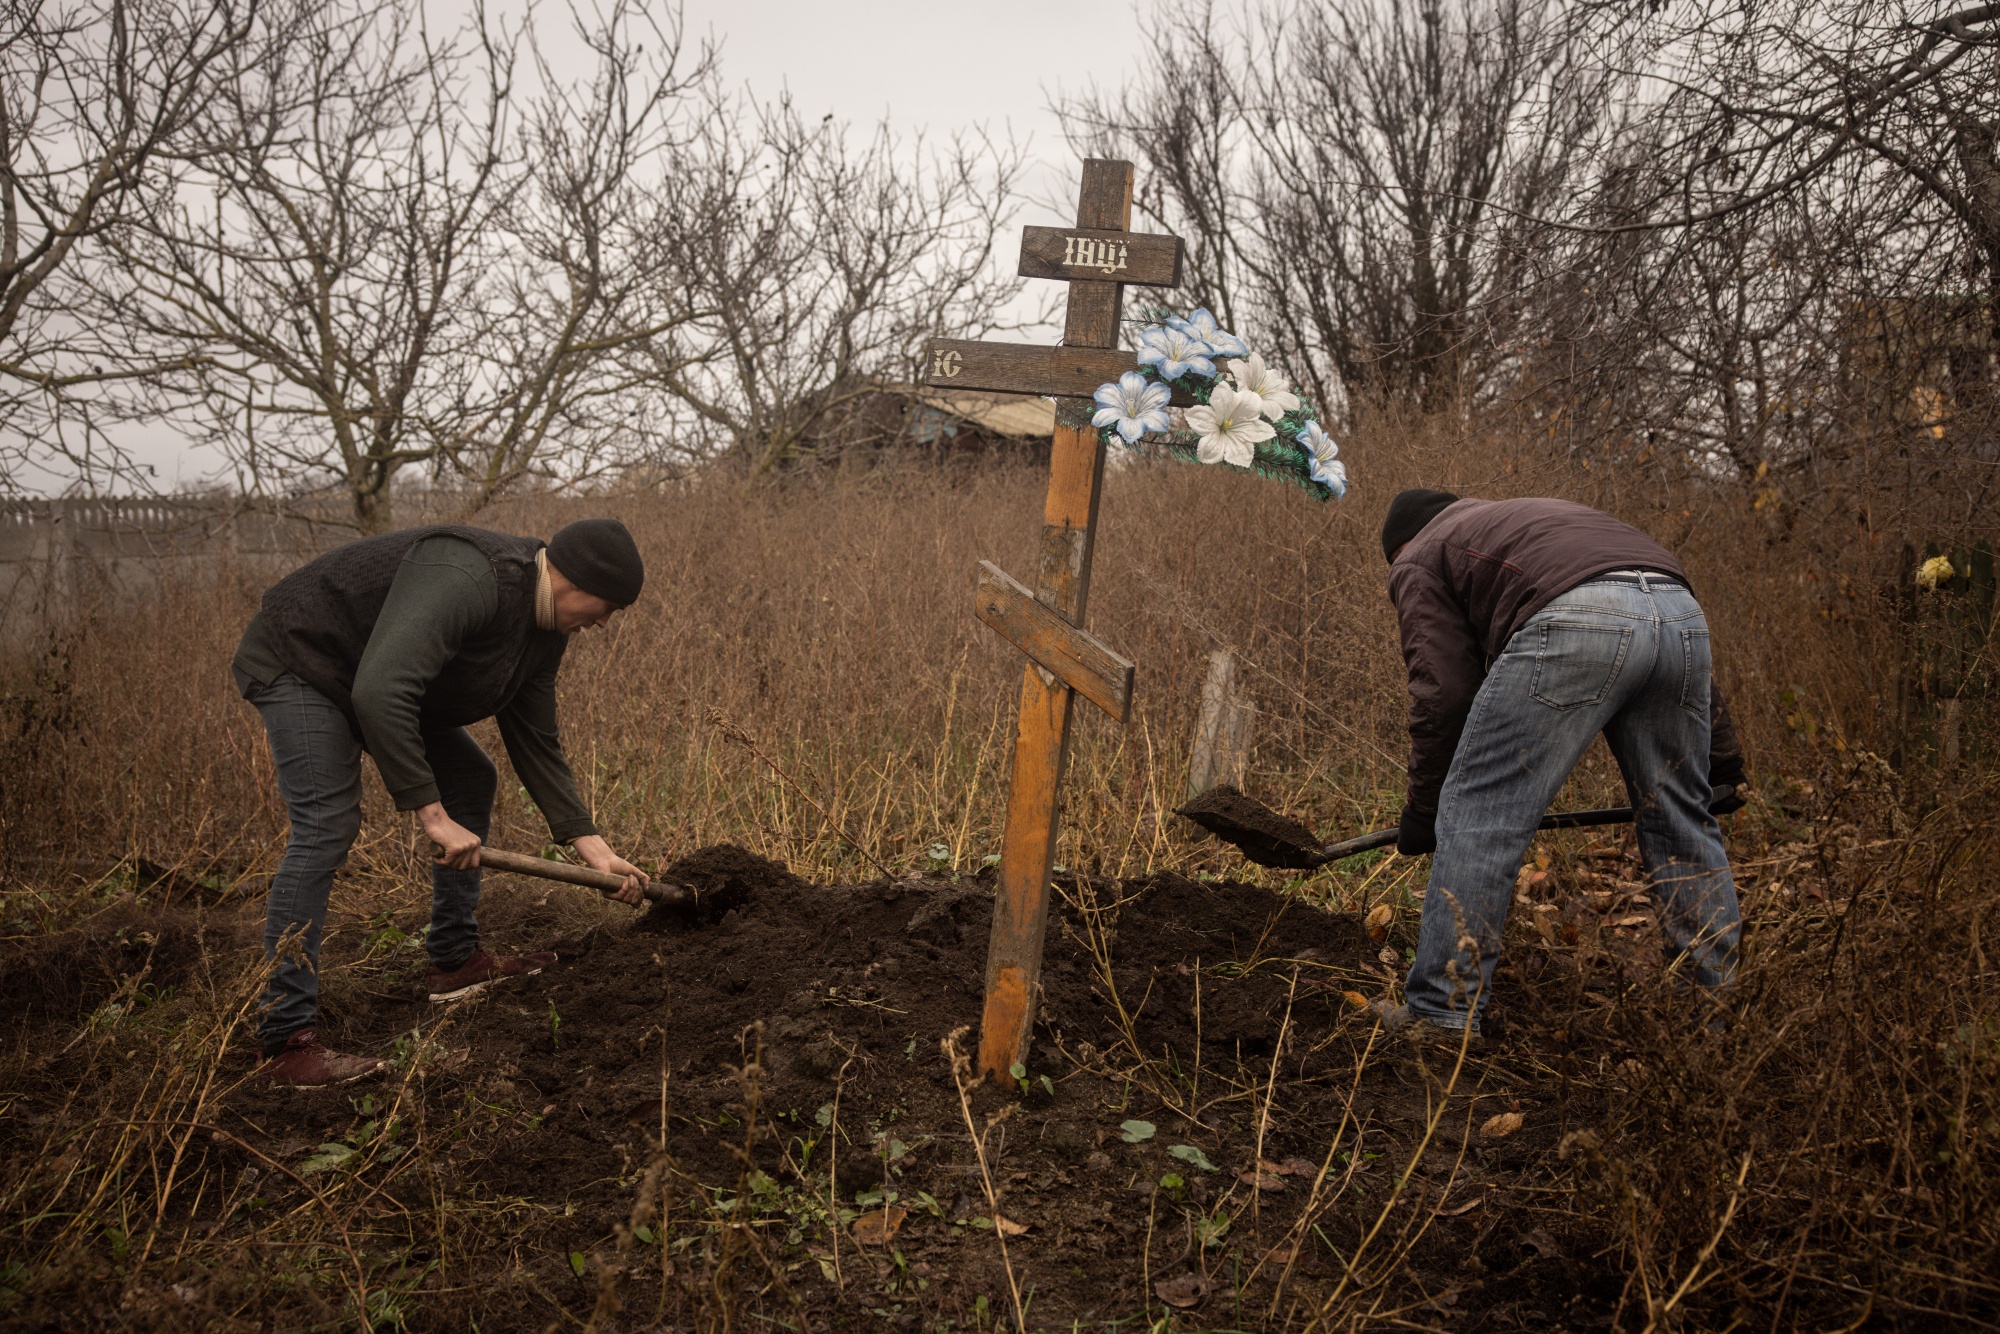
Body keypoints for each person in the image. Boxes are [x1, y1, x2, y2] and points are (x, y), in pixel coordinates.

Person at [232, 518, 653, 1086]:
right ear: (566, 577)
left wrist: (594, 849)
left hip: (371, 674)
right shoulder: (468, 576)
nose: (602, 622)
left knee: (471, 778)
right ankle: (284, 1042)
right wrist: (433, 816)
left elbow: (534, 738)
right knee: (326, 823)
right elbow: (381, 691)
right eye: (604, 607)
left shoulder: (545, 632)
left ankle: (454, 961)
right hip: (304, 660)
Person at [1379, 490, 1747, 1037]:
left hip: (1578, 618)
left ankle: (1441, 1013)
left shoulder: (1417, 554)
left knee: (1482, 821)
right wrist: (1720, 764)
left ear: (1402, 543)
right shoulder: (1529, 522)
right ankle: (1715, 1016)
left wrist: (1428, 807)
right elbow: (1645, 608)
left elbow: (1444, 693)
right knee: (1683, 824)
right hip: (1679, 611)